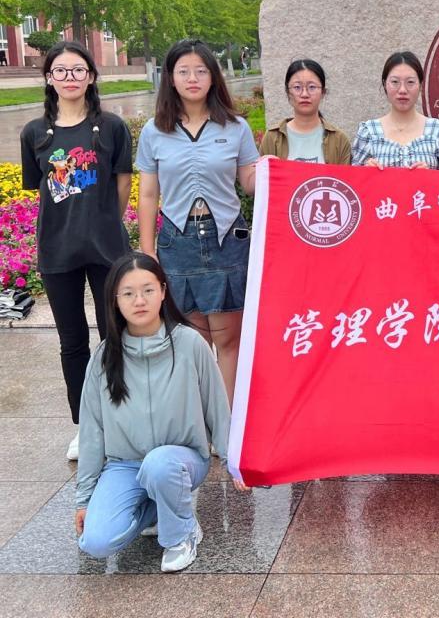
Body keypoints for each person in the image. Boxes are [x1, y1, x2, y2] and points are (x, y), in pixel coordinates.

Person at [75, 252, 246, 573]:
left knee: (160, 464)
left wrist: (233, 462)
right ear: (115, 300)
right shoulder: (104, 357)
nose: (139, 300)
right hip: (125, 465)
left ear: (164, 291)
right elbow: (92, 432)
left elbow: (216, 408)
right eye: (128, 293)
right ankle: (161, 507)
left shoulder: (189, 343)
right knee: (95, 543)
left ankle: (181, 535)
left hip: (182, 461)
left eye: (148, 290)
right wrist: (84, 499)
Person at [19, 40, 133, 461]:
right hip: (58, 249)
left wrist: (103, 222)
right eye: (61, 71)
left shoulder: (112, 127)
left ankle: (121, 420)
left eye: (78, 70)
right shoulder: (34, 132)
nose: (70, 78)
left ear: (91, 76)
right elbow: (42, 191)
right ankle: (85, 426)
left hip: (106, 247)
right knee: (72, 342)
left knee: (114, 336)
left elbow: (122, 184)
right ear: (49, 78)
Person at [136, 39, 259, 406]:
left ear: (213, 77)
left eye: (201, 71)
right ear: (170, 78)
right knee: (193, 340)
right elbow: (148, 195)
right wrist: (147, 252)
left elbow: (250, 182)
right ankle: (200, 419)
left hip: (227, 240)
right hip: (178, 242)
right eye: (184, 71)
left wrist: (278, 171)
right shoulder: (154, 131)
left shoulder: (235, 127)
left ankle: (228, 423)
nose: (193, 78)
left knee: (228, 339)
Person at [351, 51, 439, 169]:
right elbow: (352, 178)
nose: (402, 90)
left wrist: (430, 175)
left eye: (410, 82)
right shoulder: (368, 132)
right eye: (395, 82)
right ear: (385, 84)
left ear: (420, 85)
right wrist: (366, 171)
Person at [258, 59, 351, 164]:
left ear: (323, 92)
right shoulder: (272, 138)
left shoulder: (339, 141)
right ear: (288, 92)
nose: (304, 94)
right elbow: (261, 174)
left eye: (312, 87)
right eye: (297, 87)